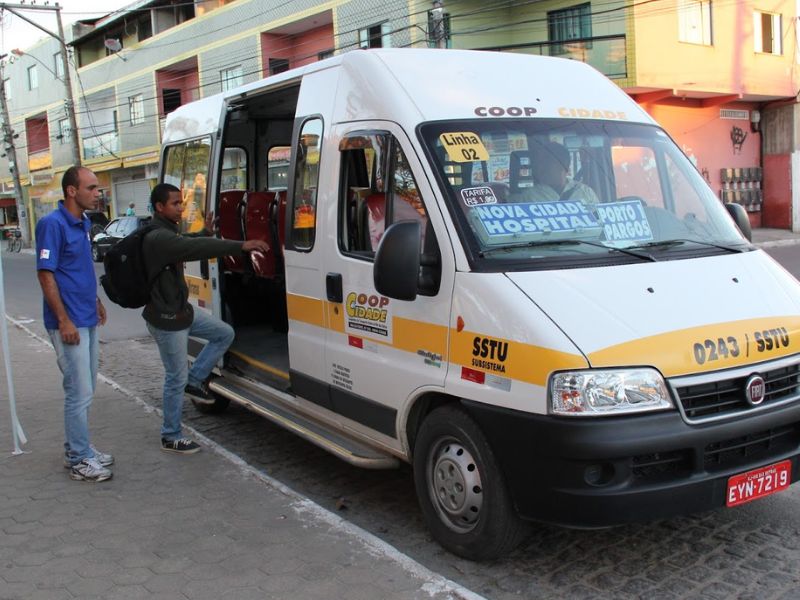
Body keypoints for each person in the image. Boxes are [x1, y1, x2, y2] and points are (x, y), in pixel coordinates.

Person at [142, 183, 269, 454]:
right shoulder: (158, 238)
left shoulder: (167, 231)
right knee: (174, 378)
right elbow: (195, 249)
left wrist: (204, 232)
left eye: (181, 202)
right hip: (166, 319)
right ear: (159, 207)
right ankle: (171, 435)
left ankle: (196, 378)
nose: (181, 207)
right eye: (175, 203)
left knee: (224, 333)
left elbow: (188, 243)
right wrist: (241, 245)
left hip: (181, 312)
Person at [36, 166, 113, 482]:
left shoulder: (82, 222)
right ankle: (79, 458)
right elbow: (46, 273)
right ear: (72, 191)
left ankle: (79, 448)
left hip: (86, 316)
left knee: (88, 388)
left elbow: (78, 269)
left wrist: (95, 300)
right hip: (68, 322)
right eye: (92, 188)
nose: (98, 193)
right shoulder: (51, 224)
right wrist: (64, 319)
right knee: (78, 392)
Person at [513, 140, 599, 205]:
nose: (540, 169)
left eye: (546, 163)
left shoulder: (585, 193)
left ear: (563, 165)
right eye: (539, 164)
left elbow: (598, 221)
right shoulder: (529, 196)